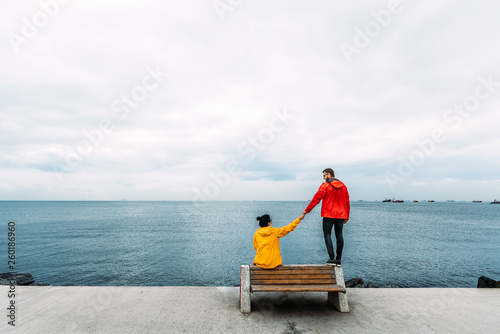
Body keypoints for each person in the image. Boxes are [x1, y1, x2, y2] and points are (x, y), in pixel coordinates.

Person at [302, 168, 350, 265]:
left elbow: (316, 198)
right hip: (341, 215)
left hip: (329, 214)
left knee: (327, 234)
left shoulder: (325, 185)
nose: (323, 178)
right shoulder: (343, 186)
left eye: (324, 175)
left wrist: (307, 210)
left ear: (329, 174)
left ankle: (332, 259)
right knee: (339, 235)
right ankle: (338, 260)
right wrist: (347, 216)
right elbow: (347, 202)